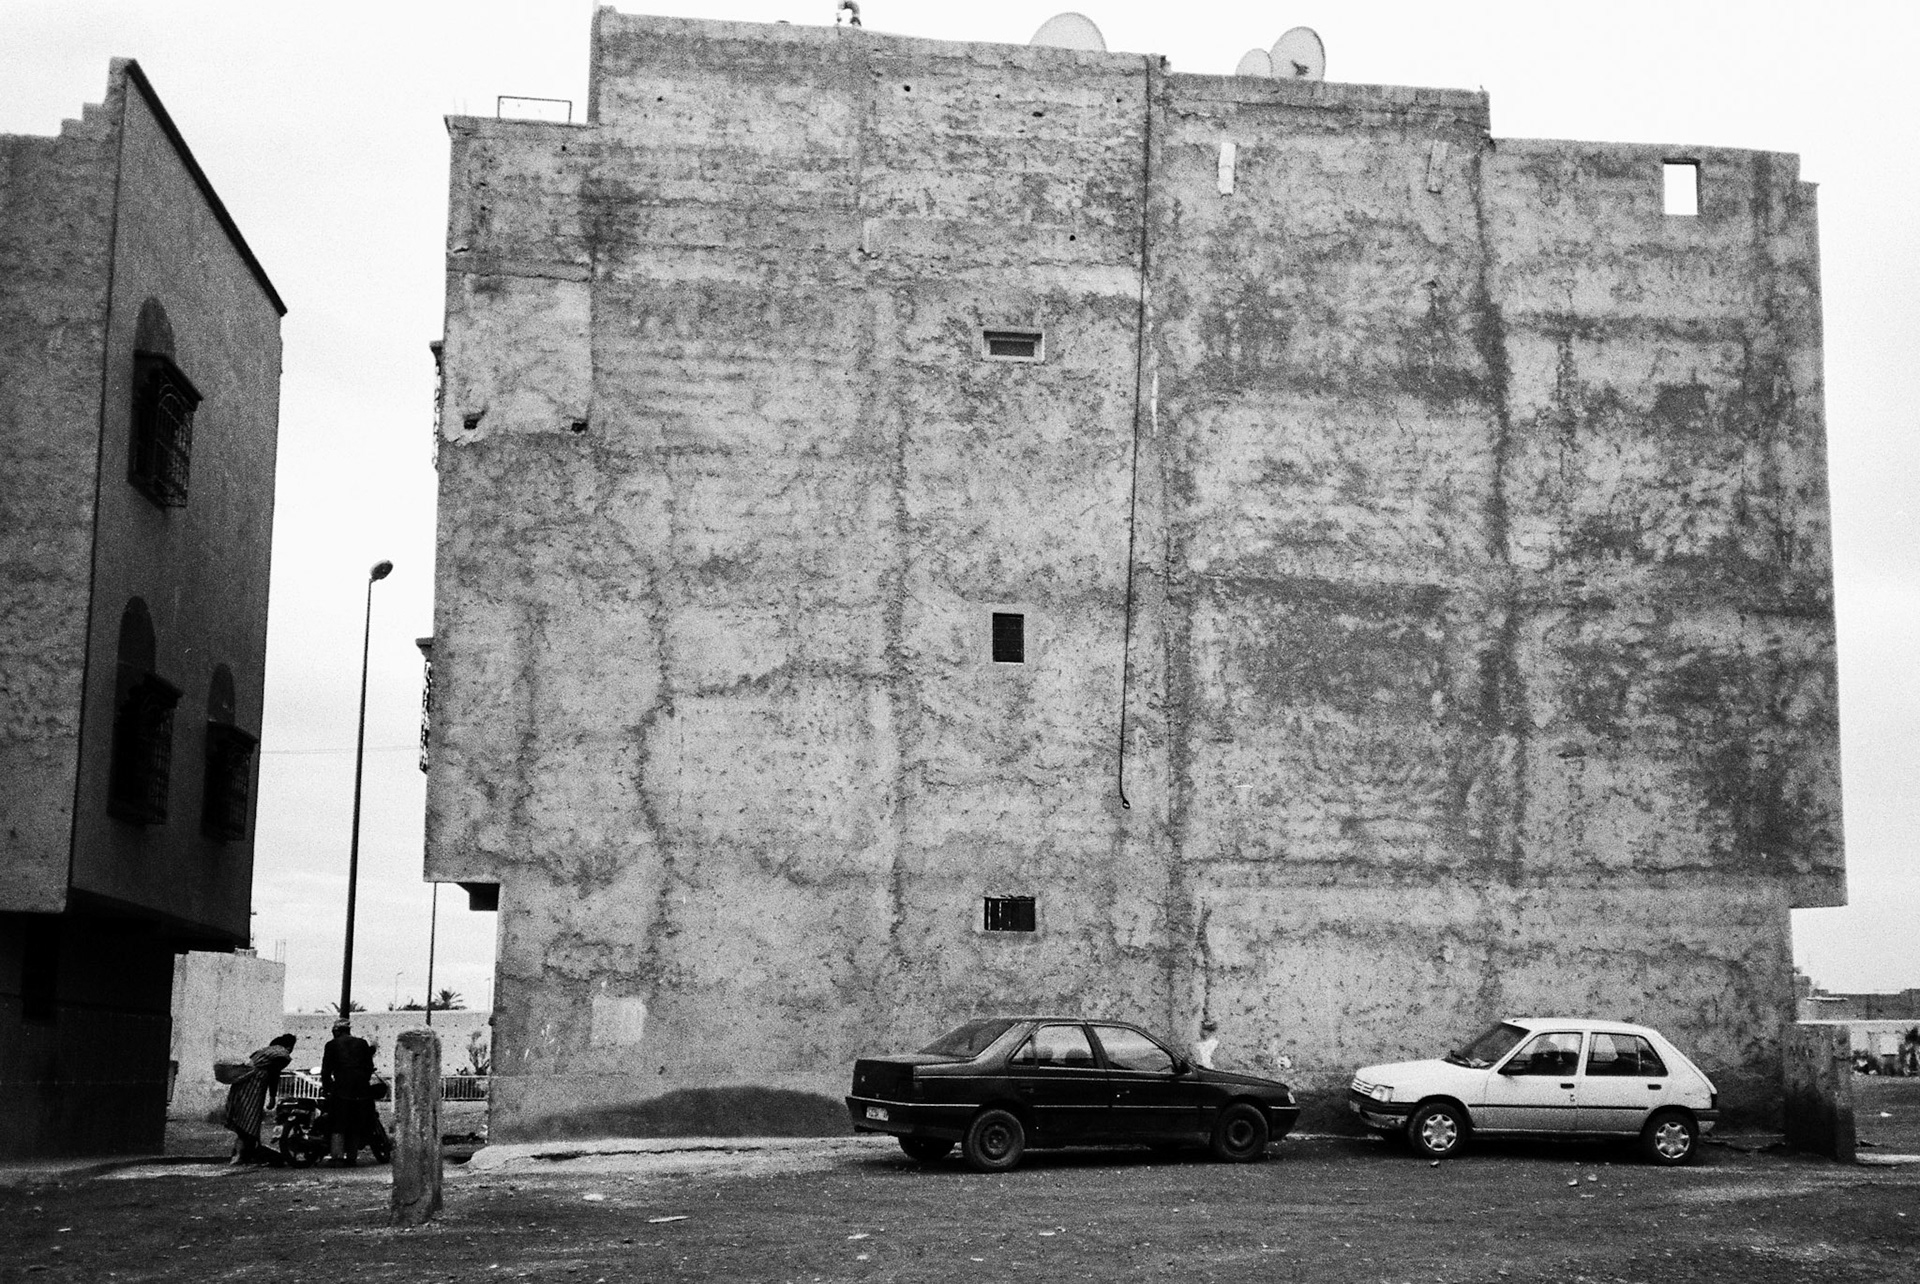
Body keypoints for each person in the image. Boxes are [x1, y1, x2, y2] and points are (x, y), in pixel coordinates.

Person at [223, 1034, 295, 1165]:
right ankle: (240, 1156)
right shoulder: (282, 1054)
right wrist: (273, 1096)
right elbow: (274, 1074)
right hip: (254, 1087)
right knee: (250, 1120)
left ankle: (239, 1155)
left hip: (240, 1084)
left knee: (242, 1122)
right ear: (289, 1047)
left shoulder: (263, 1051)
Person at [321, 1018, 378, 1166]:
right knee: (356, 1122)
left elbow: (326, 1070)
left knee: (338, 1122)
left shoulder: (331, 1045)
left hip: (341, 1088)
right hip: (361, 1089)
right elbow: (368, 1066)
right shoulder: (362, 1043)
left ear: (336, 1031)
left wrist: (327, 1089)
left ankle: (337, 1157)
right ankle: (352, 1157)